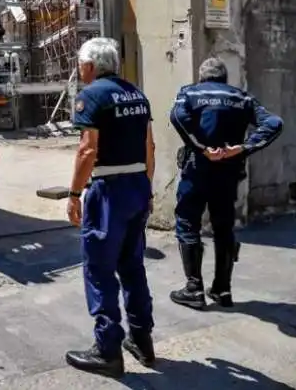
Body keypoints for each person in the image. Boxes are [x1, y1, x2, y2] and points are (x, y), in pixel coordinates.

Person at [64, 37, 156, 378]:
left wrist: (74, 194)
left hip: (109, 191)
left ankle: (107, 351)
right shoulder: (137, 95)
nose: (79, 70)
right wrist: (146, 188)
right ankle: (142, 340)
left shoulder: (91, 95)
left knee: (100, 268)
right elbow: (150, 147)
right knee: (132, 266)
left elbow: (88, 150)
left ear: (89, 66)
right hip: (136, 186)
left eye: (80, 64)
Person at [169, 57, 283, 309]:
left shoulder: (189, 93)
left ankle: (193, 289)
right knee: (223, 228)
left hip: (197, 170)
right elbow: (274, 123)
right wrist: (243, 148)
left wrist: (202, 148)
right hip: (228, 173)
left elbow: (177, 117)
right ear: (224, 78)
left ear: (202, 76)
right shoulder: (241, 98)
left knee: (188, 222)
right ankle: (222, 289)